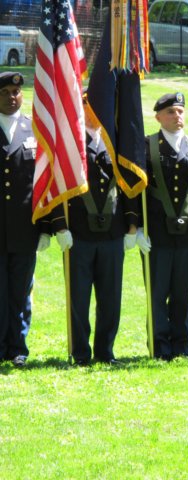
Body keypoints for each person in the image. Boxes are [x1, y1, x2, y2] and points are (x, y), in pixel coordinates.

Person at [48, 92, 140, 366]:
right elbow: (57, 183)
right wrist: (60, 227)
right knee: (79, 296)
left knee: (111, 296)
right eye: (88, 104)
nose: (93, 110)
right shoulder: (70, 143)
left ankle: (105, 350)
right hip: (79, 232)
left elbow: (129, 186)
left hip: (113, 230)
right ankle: (80, 352)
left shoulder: (116, 141)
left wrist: (133, 225)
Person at [140, 92, 188, 360]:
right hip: (156, 230)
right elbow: (138, 191)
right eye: (171, 112)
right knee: (158, 292)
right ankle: (160, 346)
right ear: (158, 116)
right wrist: (136, 229)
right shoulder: (146, 145)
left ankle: (182, 345)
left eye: (180, 111)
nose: (177, 116)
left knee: (183, 290)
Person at [0, 71, 50, 367]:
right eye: (4, 92)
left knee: (20, 290)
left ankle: (18, 347)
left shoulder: (36, 132)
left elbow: (44, 185)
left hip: (24, 229)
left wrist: (45, 227)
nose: (11, 97)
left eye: (15, 92)